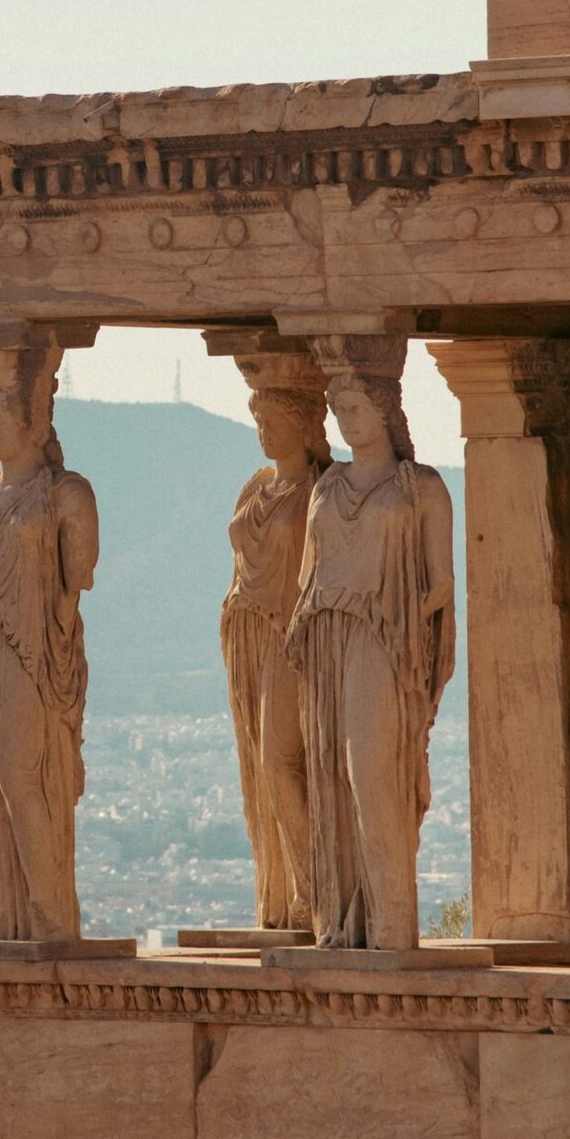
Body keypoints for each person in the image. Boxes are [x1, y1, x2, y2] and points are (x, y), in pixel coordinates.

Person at [286, 351, 455, 950]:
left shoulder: (422, 488)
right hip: (328, 637)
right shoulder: (327, 487)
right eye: (335, 409)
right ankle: (347, 920)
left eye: (354, 407)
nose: (343, 419)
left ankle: (392, 923)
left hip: (387, 639)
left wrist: (398, 617)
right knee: (331, 774)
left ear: (385, 408)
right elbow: (309, 572)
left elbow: (440, 584)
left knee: (371, 773)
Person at [0, 337, 98, 939]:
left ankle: (50, 913)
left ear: (30, 418)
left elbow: (77, 577)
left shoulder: (66, 494)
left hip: (30, 652)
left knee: (20, 776)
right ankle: (6, 913)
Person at [221, 364, 330, 928]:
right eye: (258, 419)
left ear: (307, 424)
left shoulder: (320, 491)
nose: (264, 430)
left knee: (282, 760)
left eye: (276, 419)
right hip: (248, 633)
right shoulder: (257, 488)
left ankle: (317, 892)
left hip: (294, 636)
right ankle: (287, 894)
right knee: (263, 767)